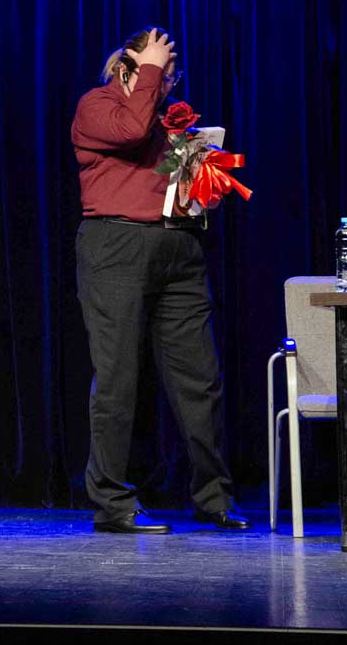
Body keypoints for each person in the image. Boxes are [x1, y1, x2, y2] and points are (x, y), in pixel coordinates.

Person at [71, 27, 249, 534]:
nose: (167, 82)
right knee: (118, 378)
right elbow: (130, 131)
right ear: (127, 67)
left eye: (171, 75)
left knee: (200, 378)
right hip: (117, 247)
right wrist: (149, 67)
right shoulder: (97, 105)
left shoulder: (168, 118)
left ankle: (213, 497)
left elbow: (174, 178)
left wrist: (204, 184)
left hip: (178, 248)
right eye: (159, 71)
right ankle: (112, 503)